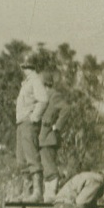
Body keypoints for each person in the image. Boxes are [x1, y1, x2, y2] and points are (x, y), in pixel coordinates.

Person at [15, 58, 48, 201]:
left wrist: (34, 117)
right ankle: (27, 192)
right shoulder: (27, 83)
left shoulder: (35, 80)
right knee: (21, 158)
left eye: (24, 67)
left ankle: (37, 192)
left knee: (32, 156)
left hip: (28, 122)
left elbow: (44, 99)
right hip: (21, 122)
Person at [38, 71, 65, 201]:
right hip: (40, 137)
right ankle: (47, 195)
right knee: (43, 166)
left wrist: (57, 126)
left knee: (49, 167)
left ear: (45, 84)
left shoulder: (54, 95)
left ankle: (51, 195)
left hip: (48, 137)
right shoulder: (41, 96)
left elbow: (66, 109)